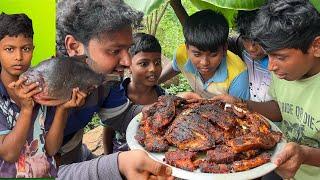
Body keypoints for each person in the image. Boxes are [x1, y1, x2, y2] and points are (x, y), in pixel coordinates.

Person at [53, 0, 173, 179]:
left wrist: (172, 108)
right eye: (115, 51)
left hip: (78, 159)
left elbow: (122, 116)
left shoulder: (106, 80)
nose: (126, 61)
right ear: (74, 46)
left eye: (128, 49)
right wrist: (117, 165)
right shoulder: (30, 91)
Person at [211, 0, 320, 179]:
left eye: (280, 57)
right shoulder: (285, 74)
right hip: (280, 163)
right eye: (268, 54)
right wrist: (241, 104)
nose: (271, 66)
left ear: (316, 46)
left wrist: (305, 154)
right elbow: (279, 108)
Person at [0, 13, 85, 178]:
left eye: (25, 49)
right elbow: (9, 154)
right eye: (9, 49)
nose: (18, 57)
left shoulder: (42, 87)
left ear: (32, 50)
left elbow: (51, 149)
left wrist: (62, 109)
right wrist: (26, 110)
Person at [158, 9, 250, 100]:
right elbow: (175, 66)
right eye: (197, 54)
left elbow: (241, 109)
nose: (204, 63)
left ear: (224, 49)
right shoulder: (182, 54)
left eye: (213, 55)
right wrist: (153, 82)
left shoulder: (239, 76)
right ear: (187, 48)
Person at [106, 32, 166, 153]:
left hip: (151, 157)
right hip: (120, 157)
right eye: (144, 64)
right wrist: (107, 156)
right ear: (129, 65)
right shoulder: (117, 97)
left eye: (157, 62)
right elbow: (108, 129)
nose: (153, 69)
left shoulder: (163, 98)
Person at [228, 10, 272, 102]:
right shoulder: (240, 47)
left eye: (259, 40)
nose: (251, 48)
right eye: (246, 39)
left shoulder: (282, 62)